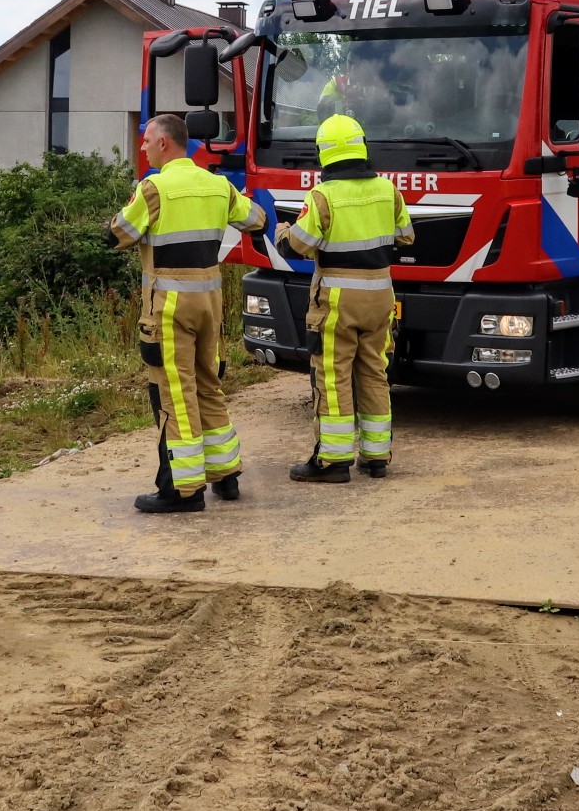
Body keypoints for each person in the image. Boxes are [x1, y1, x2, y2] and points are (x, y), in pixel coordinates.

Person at [109, 112, 266, 513]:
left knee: (175, 393)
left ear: (165, 143)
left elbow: (117, 234)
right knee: (208, 383)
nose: (142, 147)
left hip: (170, 304)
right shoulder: (218, 185)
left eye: (146, 141)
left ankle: (181, 490)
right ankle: (226, 476)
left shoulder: (153, 188)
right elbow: (256, 219)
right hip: (210, 301)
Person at [276, 114, 412, 481]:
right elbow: (406, 237)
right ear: (361, 146)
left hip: (337, 298)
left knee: (333, 376)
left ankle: (333, 462)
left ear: (323, 154)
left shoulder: (323, 196)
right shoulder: (389, 191)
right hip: (381, 293)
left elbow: (300, 246)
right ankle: (376, 456)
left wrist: (283, 233)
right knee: (374, 372)